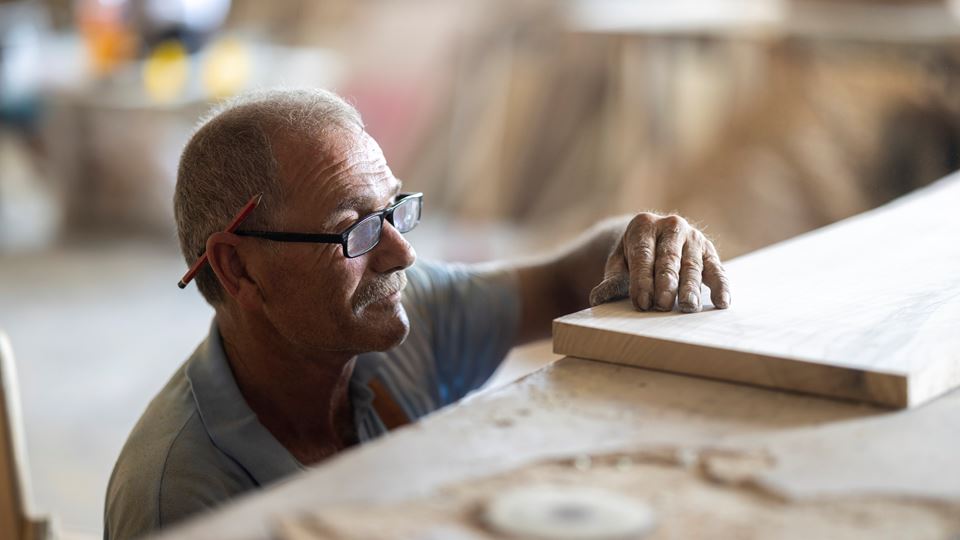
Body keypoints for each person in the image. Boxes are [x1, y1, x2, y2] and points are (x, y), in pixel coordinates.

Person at [103, 88, 730, 539]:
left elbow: (571, 275)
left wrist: (642, 238)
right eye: (355, 231)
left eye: (395, 209)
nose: (401, 253)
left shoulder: (404, 315)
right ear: (239, 269)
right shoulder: (183, 499)